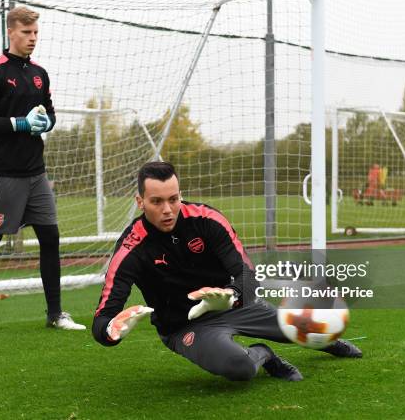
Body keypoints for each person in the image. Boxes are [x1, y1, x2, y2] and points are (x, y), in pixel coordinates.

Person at [92, 161, 361, 381]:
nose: (167, 210)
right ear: (140, 202)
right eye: (156, 202)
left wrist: (230, 295)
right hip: (184, 326)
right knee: (239, 368)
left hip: (237, 306)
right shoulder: (131, 250)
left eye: (173, 199)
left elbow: (248, 276)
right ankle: (264, 354)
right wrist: (111, 331)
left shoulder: (207, 220)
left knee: (316, 327)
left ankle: (327, 342)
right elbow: (103, 317)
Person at [0, 6, 84, 333]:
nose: (32, 39)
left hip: (36, 173)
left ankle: (56, 313)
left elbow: (50, 114)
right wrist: (19, 123)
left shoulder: (39, 73)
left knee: (51, 237)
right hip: (3, 174)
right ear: (11, 33)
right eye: (26, 33)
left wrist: (46, 121)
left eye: (35, 33)